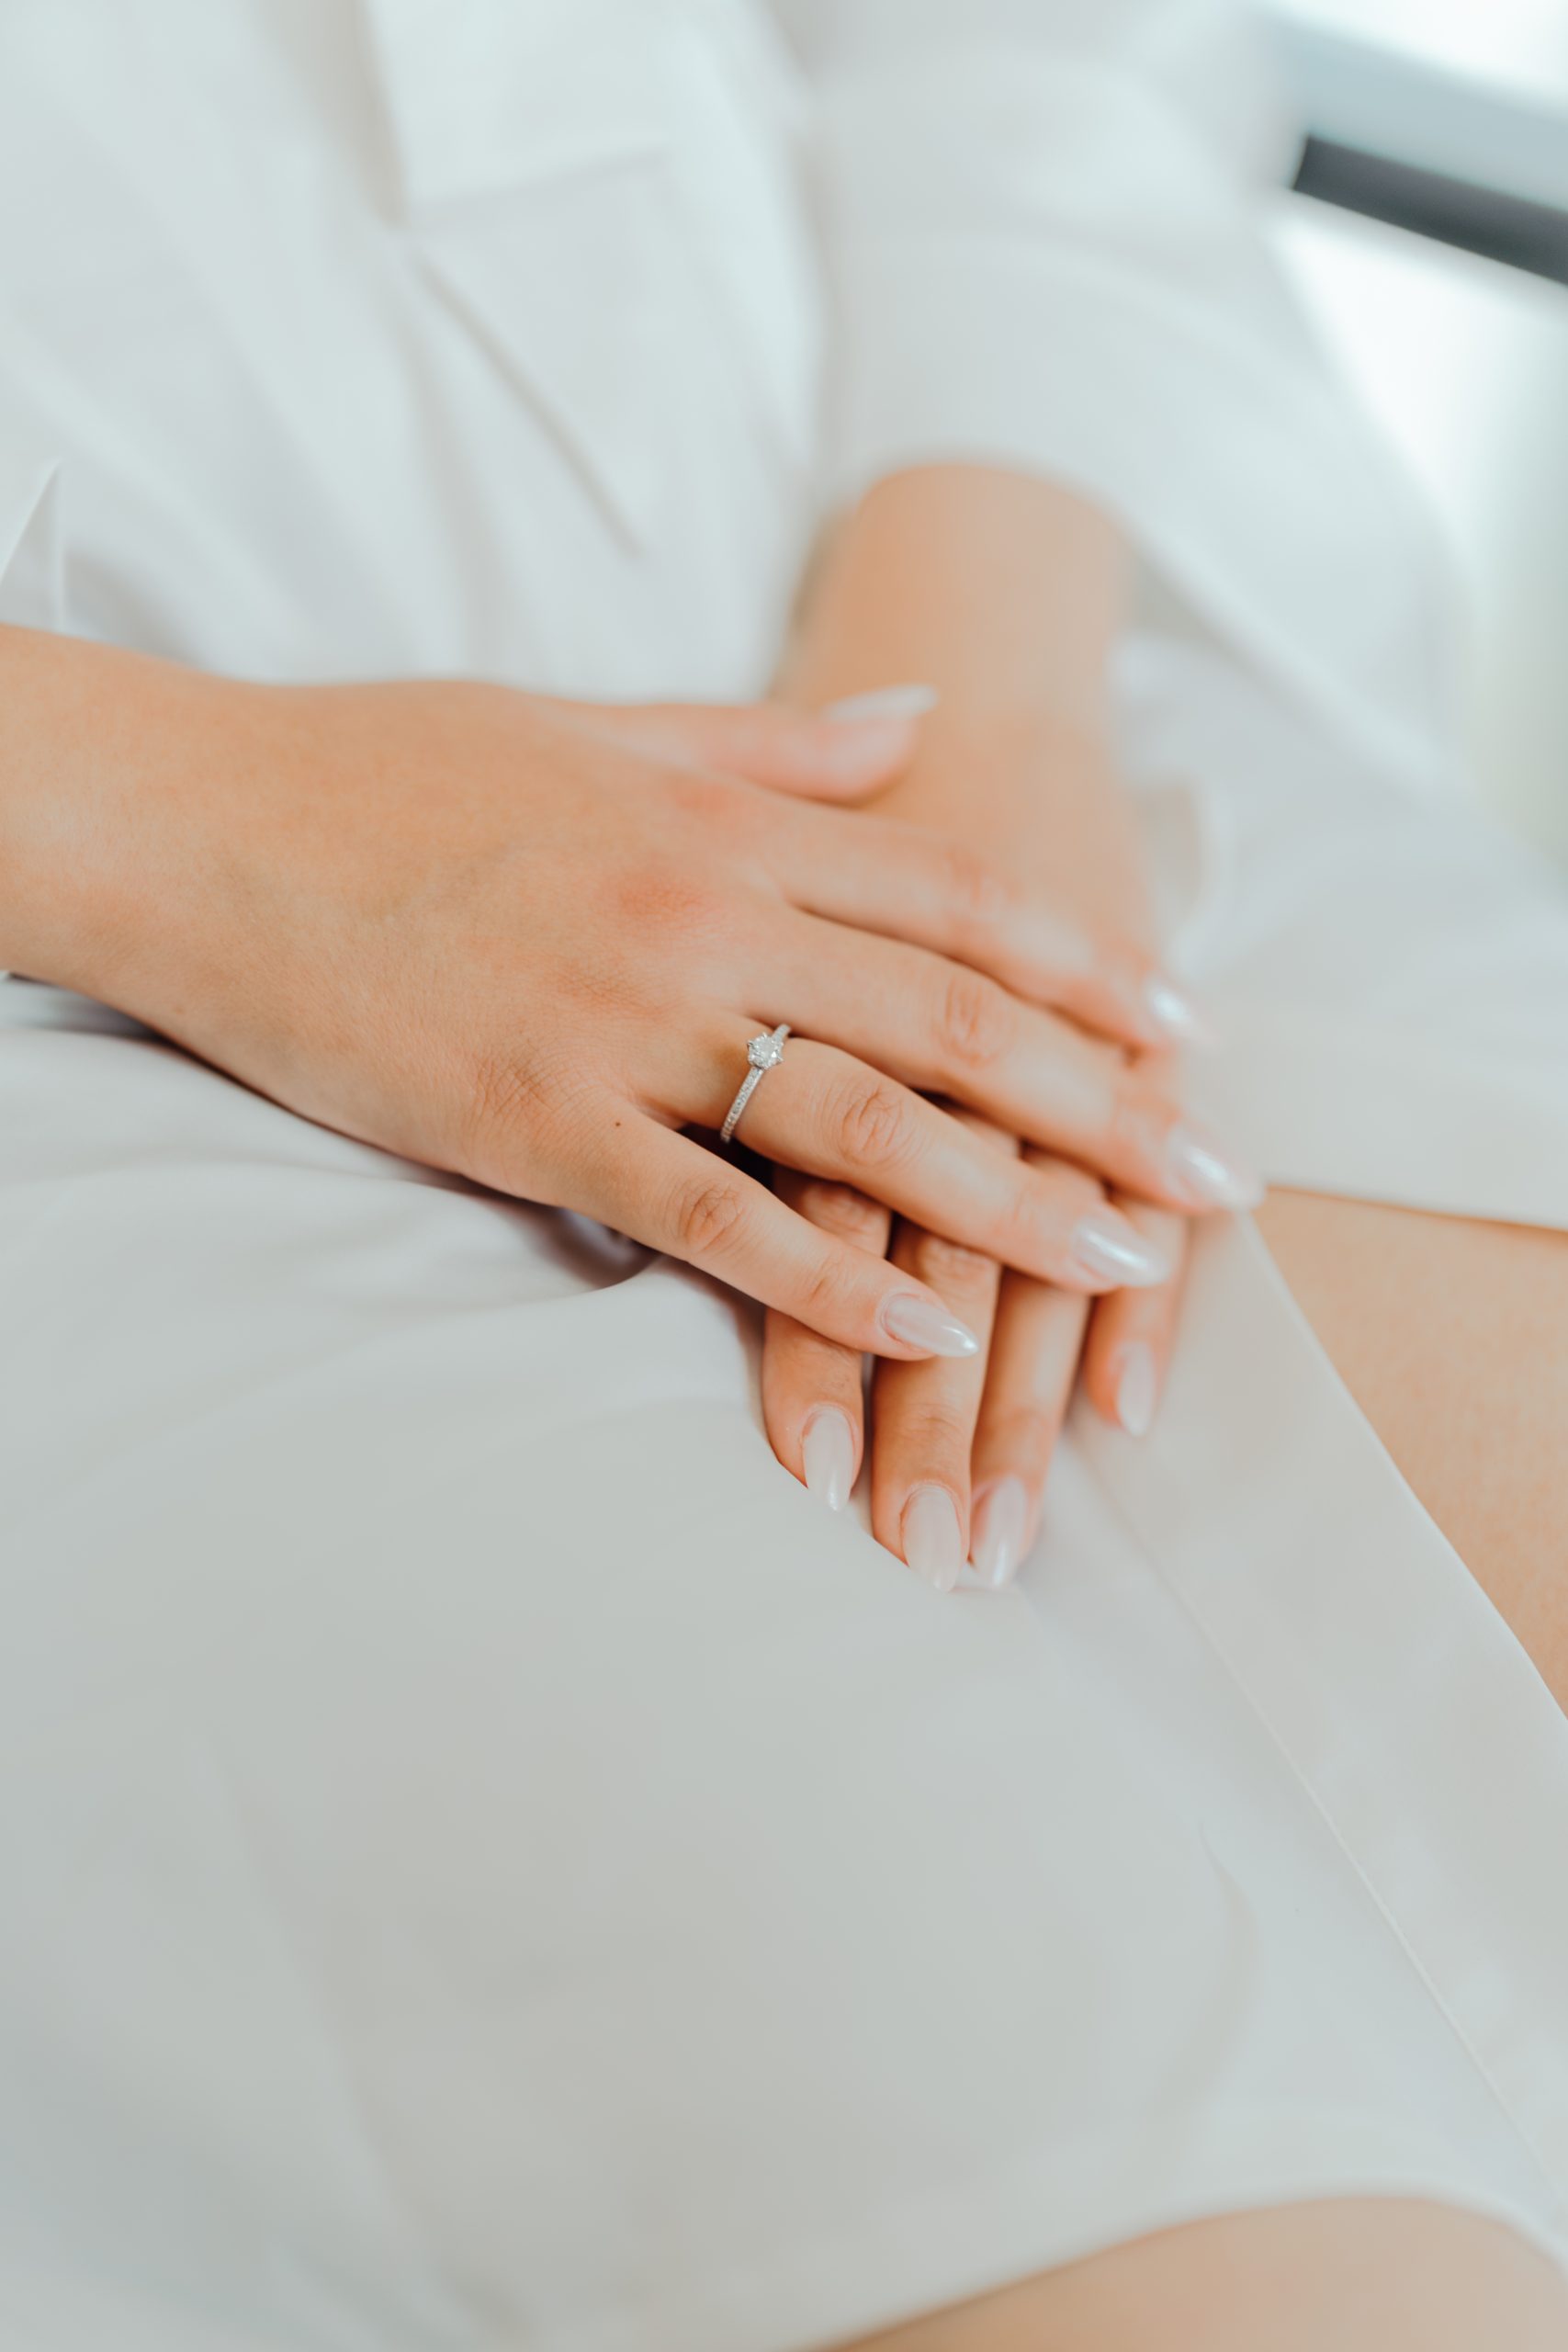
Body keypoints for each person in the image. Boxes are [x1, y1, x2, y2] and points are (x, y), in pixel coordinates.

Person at [2, 3, 1566, 2346]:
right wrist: (167, 818)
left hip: (886, 591)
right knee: (1242, 2263)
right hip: (72, 927)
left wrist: (972, 696)